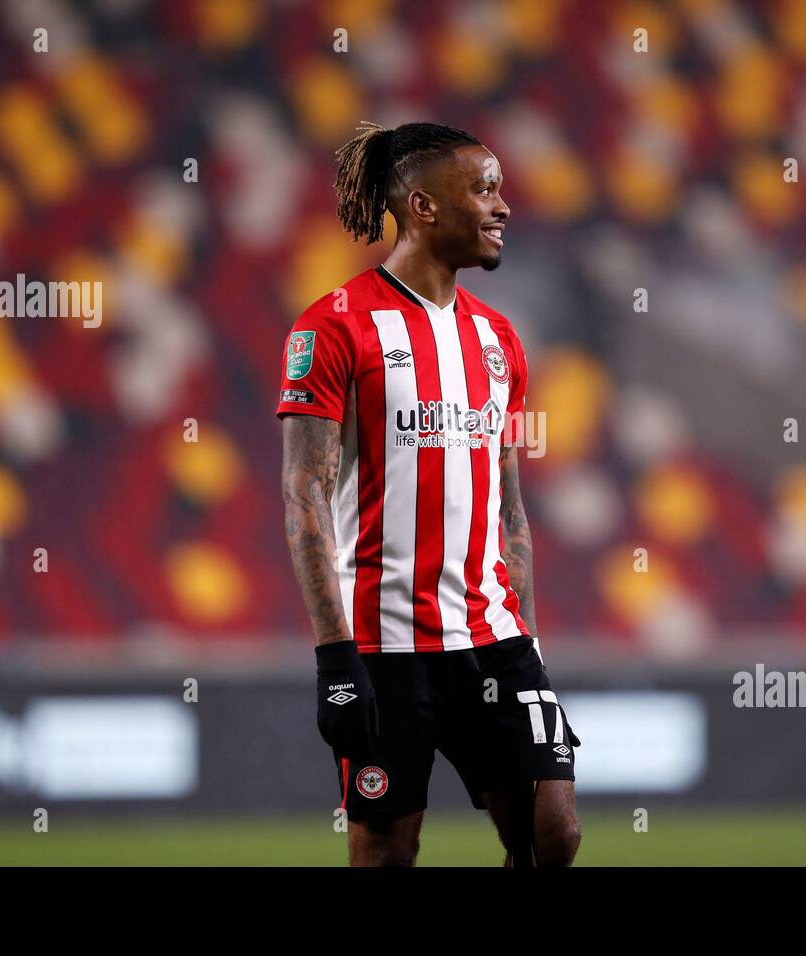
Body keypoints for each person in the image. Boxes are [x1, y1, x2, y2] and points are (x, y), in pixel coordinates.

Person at [278, 121, 582, 867]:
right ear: (422, 206)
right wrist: (334, 659)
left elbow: (509, 506)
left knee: (553, 834)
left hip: (492, 635)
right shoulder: (334, 327)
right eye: (483, 189)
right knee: (388, 850)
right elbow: (304, 492)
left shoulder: (499, 339)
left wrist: (528, 638)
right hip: (384, 644)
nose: (503, 206)